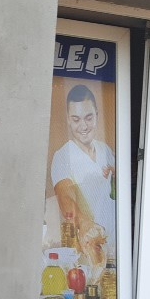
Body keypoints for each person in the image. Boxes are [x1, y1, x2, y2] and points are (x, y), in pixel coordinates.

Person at [50, 84, 116, 274]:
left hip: (115, 250)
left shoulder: (106, 151)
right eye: (76, 119)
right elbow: (65, 197)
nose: (84, 126)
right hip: (86, 254)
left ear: (97, 115)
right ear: (68, 120)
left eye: (89, 117)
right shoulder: (63, 156)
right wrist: (85, 223)